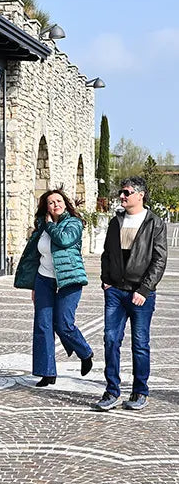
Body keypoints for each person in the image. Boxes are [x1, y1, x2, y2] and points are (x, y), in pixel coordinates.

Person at [95, 176, 167, 412]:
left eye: (126, 192)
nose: (122, 196)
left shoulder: (155, 223)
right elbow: (107, 254)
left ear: (140, 195)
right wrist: (106, 280)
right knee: (110, 340)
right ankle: (111, 391)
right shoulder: (116, 221)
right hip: (115, 292)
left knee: (140, 343)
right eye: (121, 192)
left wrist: (144, 289)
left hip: (141, 294)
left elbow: (159, 260)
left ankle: (140, 391)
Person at [13, 189, 93, 386]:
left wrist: (49, 225)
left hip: (69, 279)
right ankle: (47, 372)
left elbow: (64, 240)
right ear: (46, 207)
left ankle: (85, 352)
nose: (56, 204)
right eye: (51, 202)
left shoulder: (74, 223)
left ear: (65, 204)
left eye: (59, 201)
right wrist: (34, 285)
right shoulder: (42, 226)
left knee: (63, 323)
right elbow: (34, 255)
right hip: (44, 279)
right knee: (43, 325)